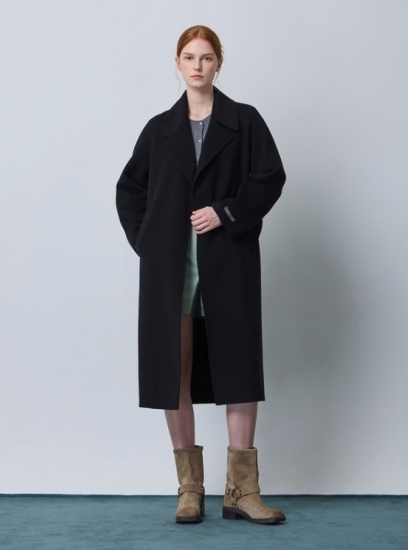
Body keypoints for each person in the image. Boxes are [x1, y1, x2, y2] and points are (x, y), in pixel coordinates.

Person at [116, 25, 286, 525]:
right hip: (172, 270)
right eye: (189, 57)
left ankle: (242, 491)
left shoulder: (245, 121)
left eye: (206, 57)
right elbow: (130, 190)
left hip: (227, 261)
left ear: (219, 63)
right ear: (177, 63)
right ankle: (189, 490)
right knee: (176, 370)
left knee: (240, 370)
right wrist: (149, 244)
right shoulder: (158, 129)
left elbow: (269, 179)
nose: (197, 66)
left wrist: (226, 212)